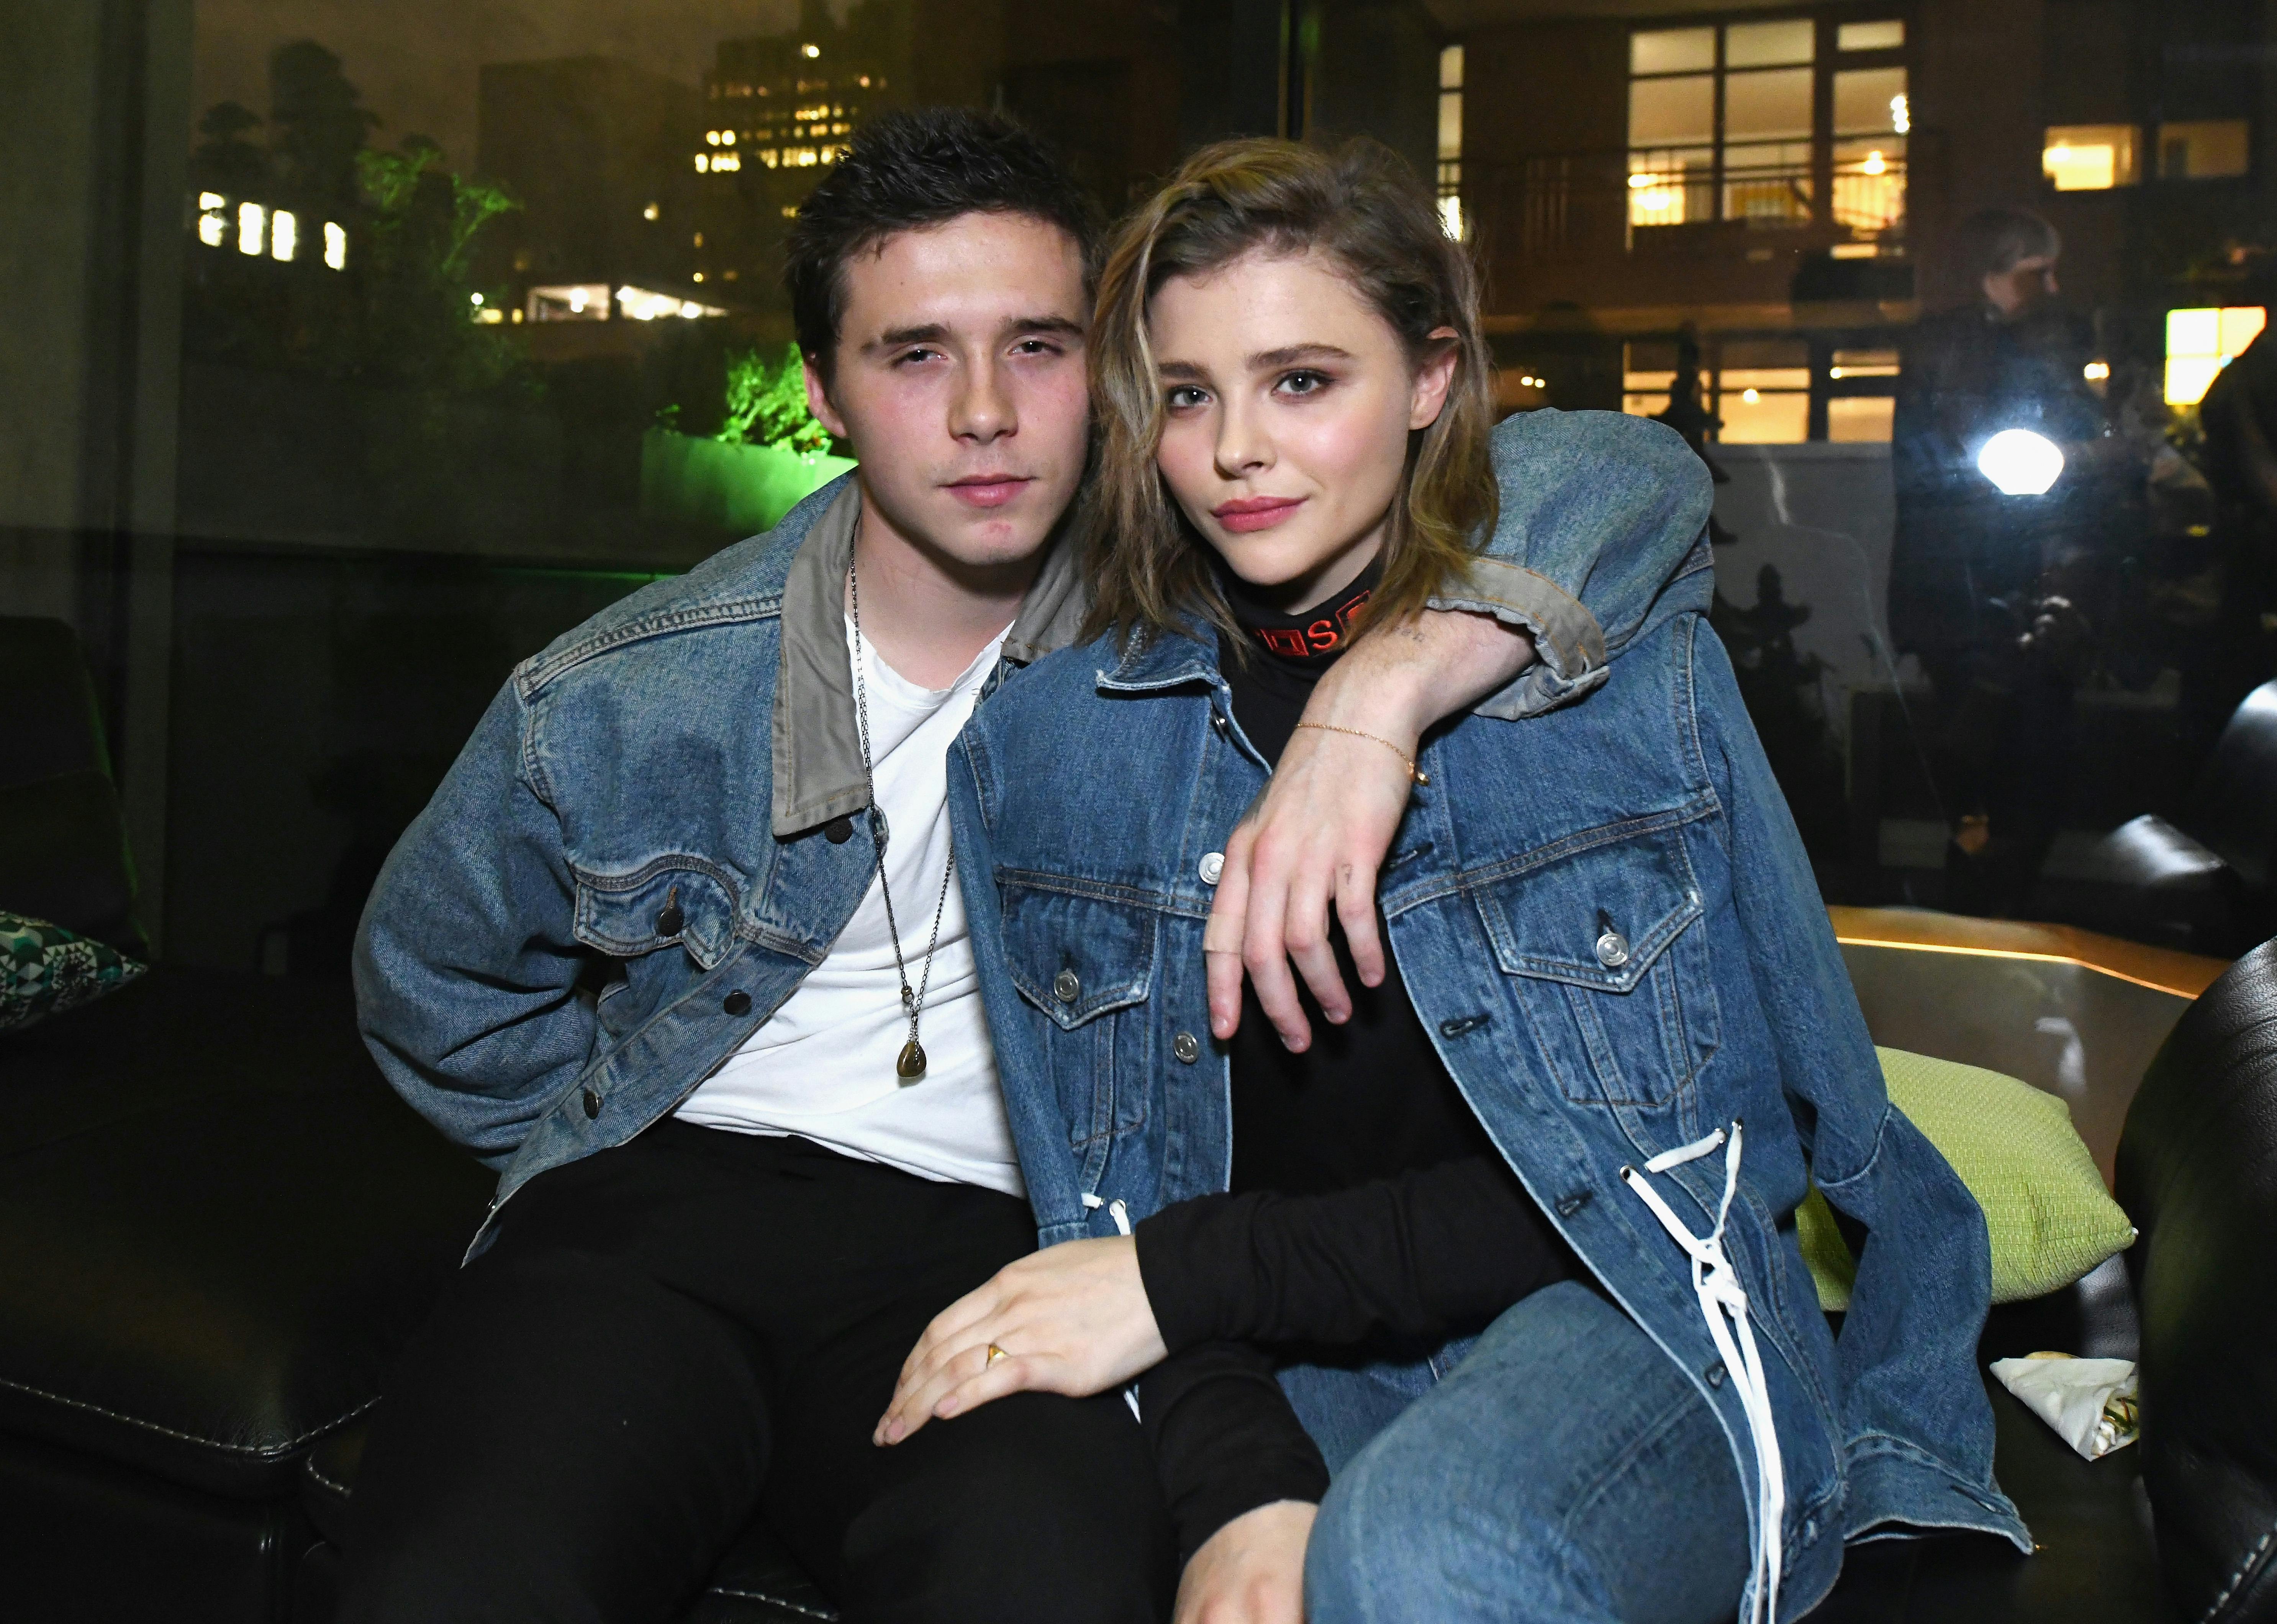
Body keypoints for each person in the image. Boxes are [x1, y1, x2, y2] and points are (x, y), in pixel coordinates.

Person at [342, 111, 1680, 1623]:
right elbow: (428, 978)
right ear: (822, 391)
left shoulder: (1202, 611)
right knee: (459, 1586)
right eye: (915, 355)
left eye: (1037, 349)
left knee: (1039, 1582)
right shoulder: (633, 691)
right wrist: (604, 1109)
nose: (984, 413)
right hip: (656, 1214)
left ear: (1104, 378)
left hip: (1014, 1231)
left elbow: (1625, 475)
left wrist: (1376, 698)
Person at [881, 138, 2026, 1623]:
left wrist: (1372, 704)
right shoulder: (1058, 750)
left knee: (1421, 1554)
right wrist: (1238, 1485)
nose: (1235, 450)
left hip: (1624, 1312)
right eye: (1186, 395)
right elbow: (1115, 1201)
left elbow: (1717, 1158)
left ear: (1429, 380)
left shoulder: (1622, 681)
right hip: (1279, 1352)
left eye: (1303, 381)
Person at [1887, 206, 2139, 914]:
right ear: (1990, 275)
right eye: (2038, 271)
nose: (2053, 288)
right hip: (1986, 603)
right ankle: (1986, 930)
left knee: (2001, 781)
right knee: (2005, 780)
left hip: (1989, 601)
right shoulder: (1964, 350)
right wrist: (2100, 457)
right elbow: (1996, 464)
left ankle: (1985, 925)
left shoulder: (1986, 348)